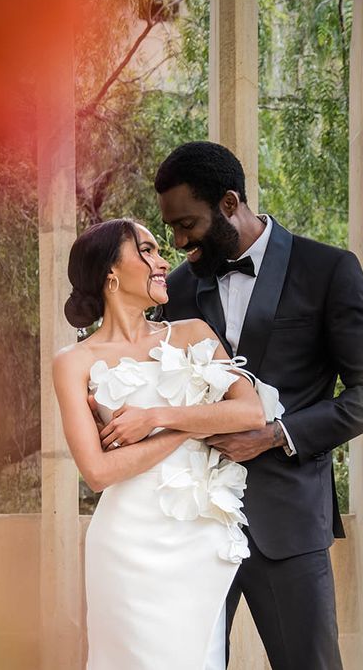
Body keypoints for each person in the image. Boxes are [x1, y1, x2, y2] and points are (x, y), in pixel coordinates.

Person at [155, 141, 363, 669]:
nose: (178, 243)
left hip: (289, 524)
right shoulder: (176, 289)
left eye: (187, 225)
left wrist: (275, 433)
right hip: (192, 528)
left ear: (228, 203)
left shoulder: (329, 269)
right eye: (170, 229)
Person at [53, 218, 282, 670]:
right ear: (110, 274)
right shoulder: (73, 362)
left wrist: (156, 418)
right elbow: (98, 473)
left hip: (200, 542)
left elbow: (252, 412)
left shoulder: (194, 333)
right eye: (148, 251)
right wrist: (189, 430)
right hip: (126, 547)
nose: (163, 261)